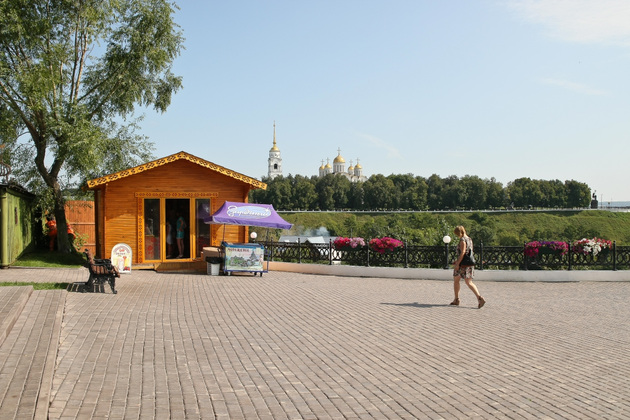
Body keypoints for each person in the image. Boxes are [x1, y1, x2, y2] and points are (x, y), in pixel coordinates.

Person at [450, 225, 486, 309]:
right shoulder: (469, 239)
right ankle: (479, 298)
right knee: (469, 282)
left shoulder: (462, 240)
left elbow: (463, 252)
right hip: (468, 263)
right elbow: (468, 252)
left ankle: (457, 299)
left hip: (462, 264)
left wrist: (457, 264)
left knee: (456, 280)